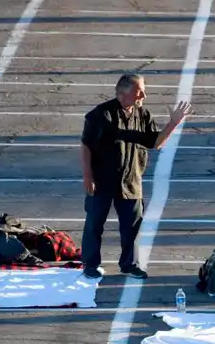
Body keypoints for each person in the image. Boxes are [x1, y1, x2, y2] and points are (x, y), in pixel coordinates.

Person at [80, 74, 191, 279]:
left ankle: (129, 264)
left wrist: (173, 123)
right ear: (122, 92)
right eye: (139, 91)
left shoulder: (143, 114)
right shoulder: (101, 114)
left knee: (132, 226)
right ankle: (90, 263)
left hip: (131, 179)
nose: (143, 96)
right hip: (102, 179)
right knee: (94, 223)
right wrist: (88, 175)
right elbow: (87, 144)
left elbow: (155, 142)